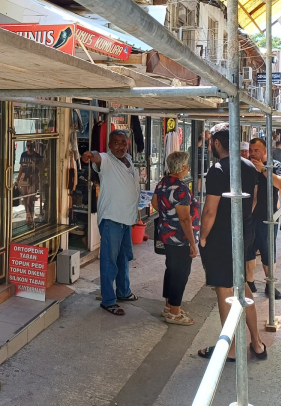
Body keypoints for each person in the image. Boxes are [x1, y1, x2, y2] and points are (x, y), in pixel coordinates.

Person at [197, 123, 267, 361]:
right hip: (244, 231)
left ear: (217, 143)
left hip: (221, 236)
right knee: (242, 285)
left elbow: (210, 210)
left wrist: (203, 236)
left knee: (224, 289)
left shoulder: (217, 170)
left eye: (211, 142)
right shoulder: (249, 166)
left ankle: (231, 348)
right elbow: (254, 201)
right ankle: (256, 342)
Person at [82, 130, 141, 316]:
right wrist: (90, 155)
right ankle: (108, 300)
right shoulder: (107, 160)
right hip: (111, 219)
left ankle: (123, 292)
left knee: (123, 259)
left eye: (123, 142)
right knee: (109, 262)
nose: (120, 146)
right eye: (116, 142)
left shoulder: (129, 159)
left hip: (126, 219)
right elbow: (97, 157)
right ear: (109, 145)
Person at [152, 151, 200, 326]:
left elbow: (155, 203)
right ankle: (174, 312)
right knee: (180, 273)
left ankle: (169, 305)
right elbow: (185, 219)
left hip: (167, 234)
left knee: (171, 270)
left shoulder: (163, 183)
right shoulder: (180, 188)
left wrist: (167, 216)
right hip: (180, 238)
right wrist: (192, 243)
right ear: (184, 167)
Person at [246, 138, 281, 299]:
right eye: (251, 150)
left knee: (268, 251)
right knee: (248, 251)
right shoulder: (246, 166)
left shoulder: (274, 165)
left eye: (256, 151)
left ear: (265, 151)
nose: (252, 154)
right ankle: (249, 284)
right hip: (248, 217)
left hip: (267, 217)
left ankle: (270, 285)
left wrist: (264, 170)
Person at [15, 140, 42, 227]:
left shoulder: (37, 156)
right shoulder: (23, 155)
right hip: (24, 177)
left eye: (31, 146)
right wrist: (17, 179)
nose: (29, 148)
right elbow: (21, 168)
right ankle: (28, 214)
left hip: (33, 177)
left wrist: (34, 165)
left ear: (33, 146)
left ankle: (31, 216)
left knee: (30, 198)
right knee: (25, 198)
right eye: (28, 146)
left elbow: (41, 168)